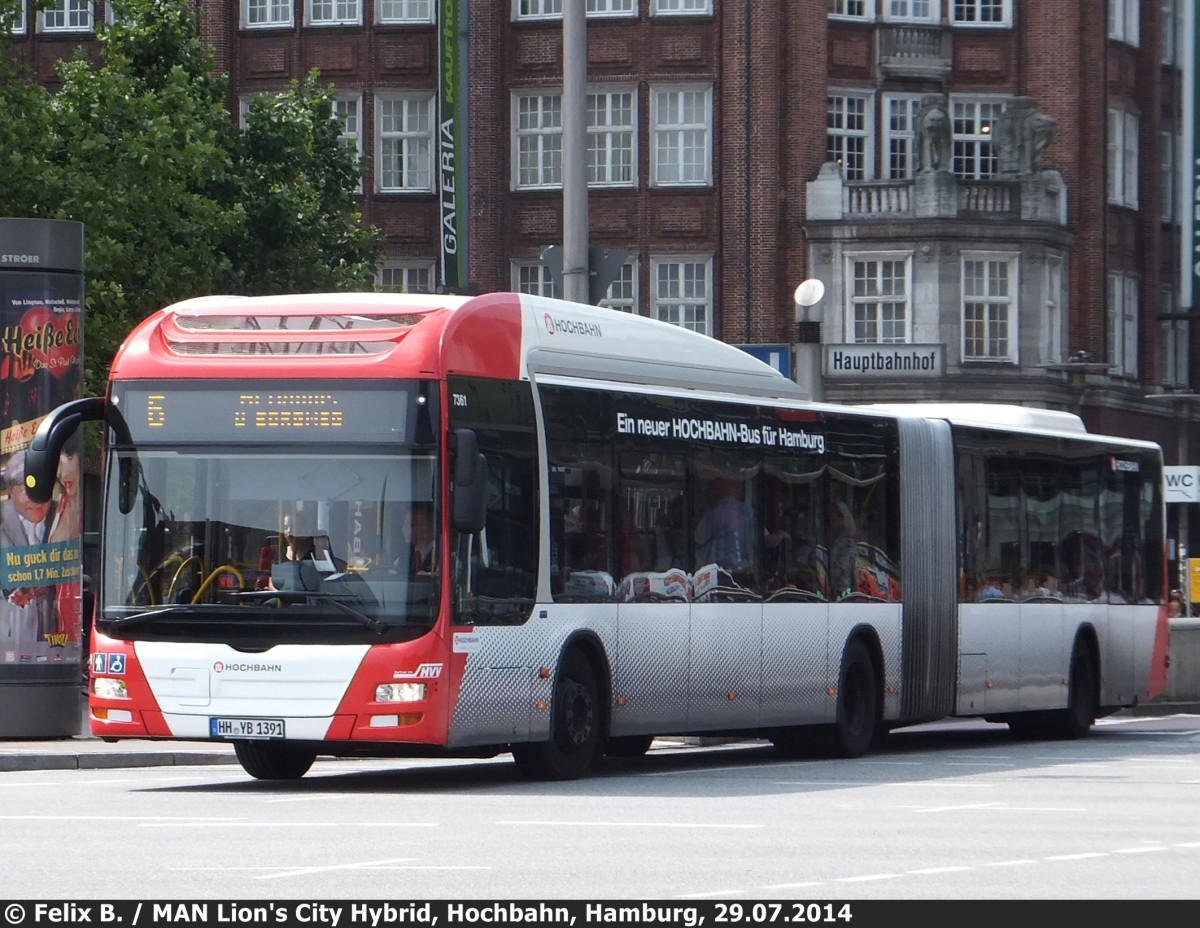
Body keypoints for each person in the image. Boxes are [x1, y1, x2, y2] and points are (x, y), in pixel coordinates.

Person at [0, 449, 58, 651]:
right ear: (10, 491)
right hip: (9, 639)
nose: (37, 500)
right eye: (26, 489)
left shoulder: (63, 514)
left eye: (43, 489)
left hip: (55, 641)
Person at [694, 476, 756, 571]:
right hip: (717, 571)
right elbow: (698, 540)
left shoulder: (746, 512)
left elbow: (762, 537)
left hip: (743, 570)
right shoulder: (711, 514)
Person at [402, 502, 436, 575]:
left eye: (409, 524)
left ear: (425, 527)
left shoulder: (443, 556)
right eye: (404, 524)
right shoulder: (401, 559)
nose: (403, 529)